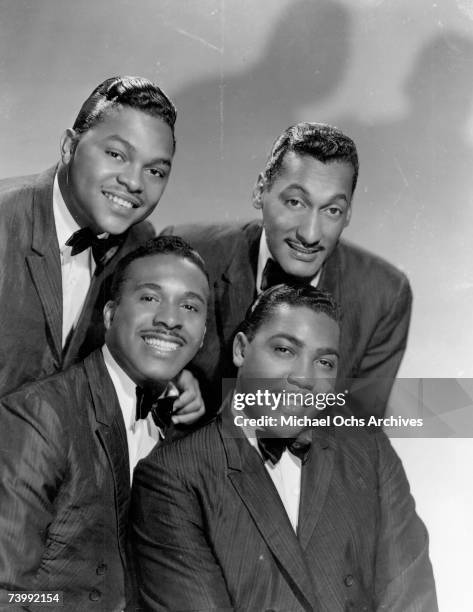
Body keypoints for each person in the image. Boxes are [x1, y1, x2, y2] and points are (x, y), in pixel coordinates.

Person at [131, 284, 437, 612]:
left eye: (325, 363)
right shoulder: (172, 476)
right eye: (284, 350)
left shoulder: (370, 452)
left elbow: (412, 598)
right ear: (241, 350)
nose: (304, 378)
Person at [0, 236, 209, 611]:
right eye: (149, 298)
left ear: (203, 335)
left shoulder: (191, 439)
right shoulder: (39, 415)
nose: (170, 319)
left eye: (190, 306)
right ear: (110, 314)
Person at [163, 122, 412, 417]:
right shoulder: (189, 254)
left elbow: (355, 431)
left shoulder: (384, 295)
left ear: (348, 214)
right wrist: (170, 376)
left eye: (332, 210)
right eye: (295, 202)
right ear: (260, 192)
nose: (309, 234)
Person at [0, 75, 193, 401]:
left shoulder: (139, 244)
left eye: (155, 171)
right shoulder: (5, 220)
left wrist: (165, 377)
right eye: (116, 154)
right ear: (68, 146)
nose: (134, 182)